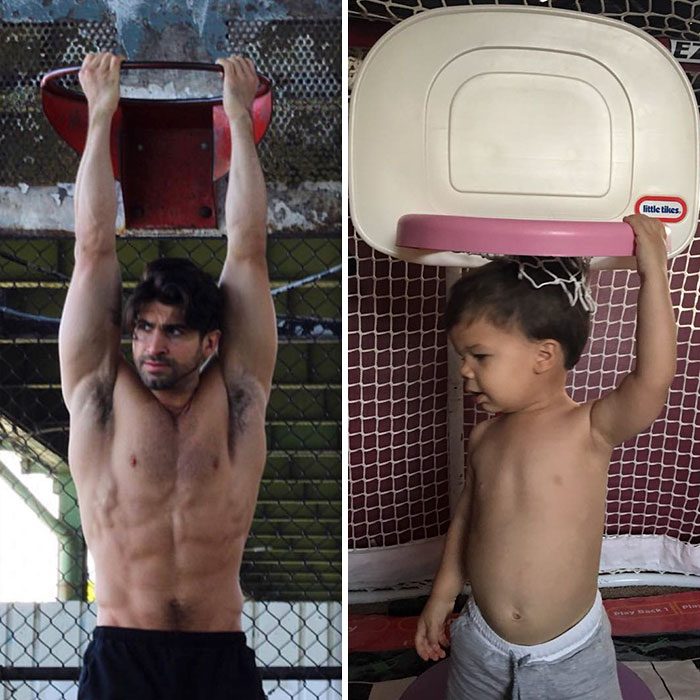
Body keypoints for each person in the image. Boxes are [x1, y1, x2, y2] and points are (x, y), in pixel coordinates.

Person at [59, 52, 276, 699]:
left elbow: (249, 249)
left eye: (174, 331)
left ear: (210, 341)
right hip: (124, 655)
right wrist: (101, 115)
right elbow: (93, 246)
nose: (153, 344)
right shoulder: (100, 394)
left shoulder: (237, 397)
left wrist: (237, 115)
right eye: (144, 327)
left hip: (218, 654)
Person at [414, 214, 676, 700]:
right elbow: (468, 518)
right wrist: (443, 593)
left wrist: (653, 271)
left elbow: (652, 379)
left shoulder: (590, 428)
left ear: (544, 355)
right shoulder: (484, 438)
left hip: (570, 655)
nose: (464, 372)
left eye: (480, 356)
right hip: (481, 645)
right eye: (461, 357)